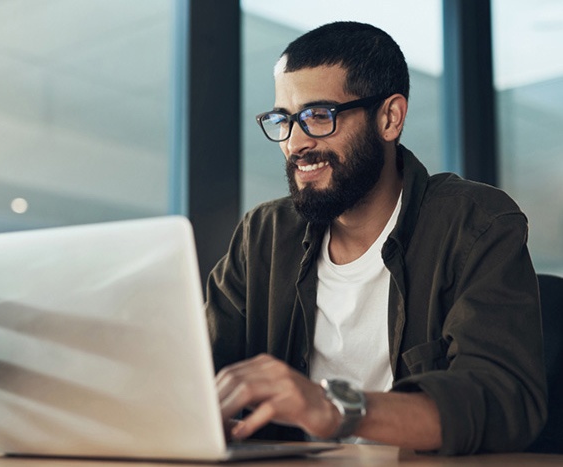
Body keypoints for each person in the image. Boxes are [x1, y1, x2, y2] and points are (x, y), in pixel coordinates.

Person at [205, 21, 547, 455]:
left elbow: (501, 399)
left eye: (318, 116)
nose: (294, 143)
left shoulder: (475, 223)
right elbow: (196, 370)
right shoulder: (264, 236)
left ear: (389, 118)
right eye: (284, 120)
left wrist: (336, 408)